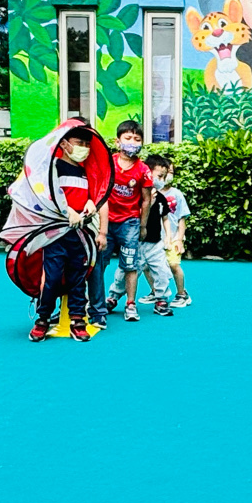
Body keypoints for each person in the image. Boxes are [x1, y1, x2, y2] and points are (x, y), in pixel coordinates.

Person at [30, 125, 107, 343]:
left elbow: (94, 193)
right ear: (64, 144)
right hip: (55, 235)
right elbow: (45, 194)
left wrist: (91, 202)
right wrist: (67, 211)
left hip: (80, 235)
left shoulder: (86, 171)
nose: (84, 148)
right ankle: (43, 318)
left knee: (78, 279)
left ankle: (77, 320)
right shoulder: (52, 167)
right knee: (52, 278)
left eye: (87, 145)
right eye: (79, 143)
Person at [87, 120, 153, 324]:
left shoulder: (143, 170)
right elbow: (98, 191)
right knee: (98, 263)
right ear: (118, 141)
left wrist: (142, 225)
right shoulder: (108, 163)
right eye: (128, 138)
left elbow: (146, 200)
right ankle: (95, 304)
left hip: (130, 224)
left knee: (130, 265)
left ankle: (130, 304)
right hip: (105, 223)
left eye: (137, 139)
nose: (132, 142)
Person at [111, 154, 174, 317]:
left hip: (155, 244)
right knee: (125, 271)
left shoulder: (161, 198)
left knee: (161, 272)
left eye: (164, 177)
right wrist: (149, 203)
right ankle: (113, 296)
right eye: (159, 176)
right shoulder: (139, 195)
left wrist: (168, 236)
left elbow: (165, 218)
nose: (161, 180)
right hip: (137, 242)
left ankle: (161, 299)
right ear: (147, 173)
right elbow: (134, 214)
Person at [139, 158, 193, 307]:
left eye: (170, 172)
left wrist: (179, 239)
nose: (167, 176)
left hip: (172, 238)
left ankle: (182, 294)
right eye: (164, 173)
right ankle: (155, 291)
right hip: (153, 239)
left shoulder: (177, 194)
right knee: (146, 267)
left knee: (173, 265)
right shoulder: (147, 193)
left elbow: (181, 218)